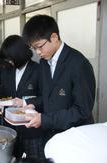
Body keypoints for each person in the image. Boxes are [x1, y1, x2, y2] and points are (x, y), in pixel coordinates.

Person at [22, 15, 96, 143]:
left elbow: (82, 110)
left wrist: (45, 120)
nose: (38, 52)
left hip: (74, 137)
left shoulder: (79, 64)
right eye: (34, 48)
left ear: (54, 37)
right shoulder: (44, 63)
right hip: (51, 136)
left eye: (40, 46)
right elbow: (49, 97)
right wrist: (31, 104)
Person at [0, 35, 44, 159]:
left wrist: (24, 102)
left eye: (10, 58)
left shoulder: (38, 70)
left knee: (33, 162)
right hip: (11, 129)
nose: (9, 62)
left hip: (31, 129)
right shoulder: (8, 71)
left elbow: (46, 98)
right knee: (12, 160)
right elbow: (3, 94)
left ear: (19, 54)